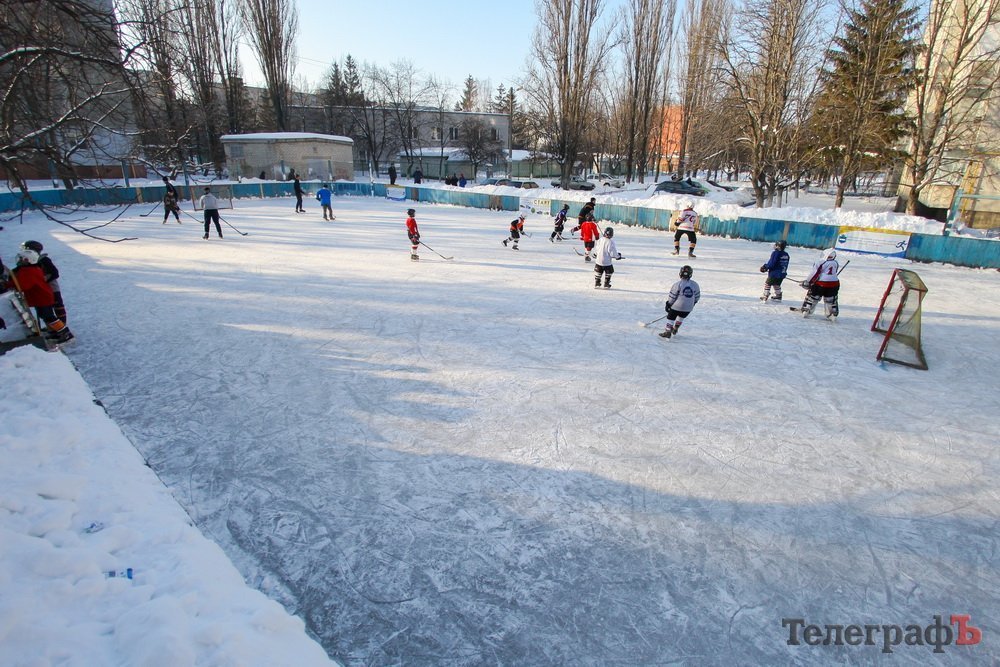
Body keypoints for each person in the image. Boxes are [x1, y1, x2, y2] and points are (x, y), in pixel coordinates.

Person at [3, 249, 73, 343]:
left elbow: (23, 285)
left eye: (21, 259)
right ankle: (56, 331)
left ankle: (65, 333)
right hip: (40, 298)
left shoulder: (28, 271)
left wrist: (7, 285)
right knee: (44, 315)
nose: (19, 261)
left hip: (42, 298)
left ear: (27, 260)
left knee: (49, 316)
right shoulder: (31, 269)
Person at [21, 240, 67, 323]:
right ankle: (52, 326)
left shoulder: (44, 260)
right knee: (44, 312)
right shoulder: (28, 261)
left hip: (52, 288)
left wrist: (42, 279)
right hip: (40, 291)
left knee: (58, 307)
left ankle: (62, 325)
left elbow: (55, 273)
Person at [659, 265, 700, 339]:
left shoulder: (677, 284)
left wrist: (668, 304)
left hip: (677, 306)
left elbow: (672, 296)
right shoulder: (695, 284)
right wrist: (693, 303)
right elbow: (697, 296)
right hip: (688, 308)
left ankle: (668, 332)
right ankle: (675, 328)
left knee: (671, 317)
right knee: (681, 316)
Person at [798, 248, 840, 318]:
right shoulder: (835, 262)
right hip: (834, 283)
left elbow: (814, 273)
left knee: (813, 296)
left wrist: (808, 281)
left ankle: (807, 309)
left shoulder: (820, 262)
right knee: (831, 299)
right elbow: (834, 272)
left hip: (821, 283)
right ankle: (832, 313)